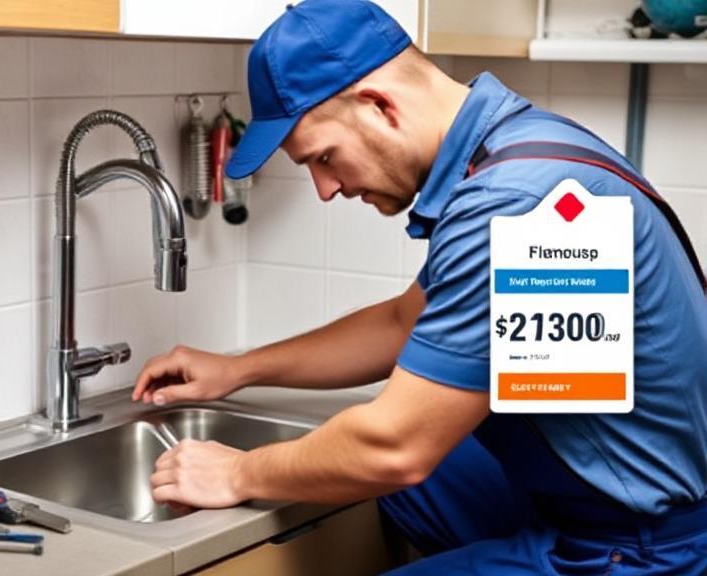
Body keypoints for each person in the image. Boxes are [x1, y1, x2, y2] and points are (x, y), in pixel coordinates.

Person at [130, 0, 707, 574]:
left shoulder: (514, 204)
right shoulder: (517, 150)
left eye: (325, 158)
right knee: (354, 461)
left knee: (370, 458)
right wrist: (240, 369)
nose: (325, 189)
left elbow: (395, 448)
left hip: (640, 549)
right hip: (605, 498)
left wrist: (236, 471)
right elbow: (403, 323)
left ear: (380, 105)